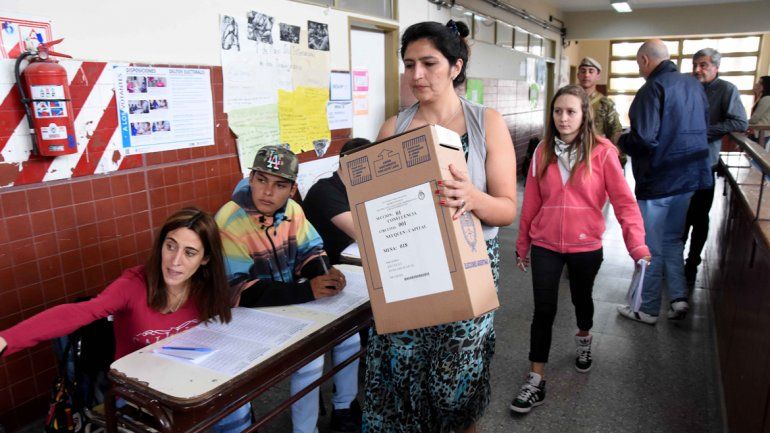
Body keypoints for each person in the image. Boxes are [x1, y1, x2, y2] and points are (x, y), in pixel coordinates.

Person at [362, 20, 517, 433]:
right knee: (403, 371)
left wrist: (473, 197)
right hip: (407, 272)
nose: (417, 75)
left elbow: (507, 209)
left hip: (471, 269)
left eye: (429, 63)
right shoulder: (392, 128)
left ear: (455, 66)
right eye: (409, 64)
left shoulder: (486, 123)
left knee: (455, 387)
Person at [0, 208, 250, 433]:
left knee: (238, 406)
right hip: (138, 392)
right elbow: (79, 313)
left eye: (190, 252)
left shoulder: (207, 287)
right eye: (170, 246)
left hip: (189, 382)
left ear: (205, 258)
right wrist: (6, 339)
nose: (175, 261)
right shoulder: (134, 284)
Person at [512, 85, 650, 413]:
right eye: (558, 111)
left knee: (581, 299)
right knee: (543, 311)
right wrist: (523, 244)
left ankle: (584, 338)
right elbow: (531, 201)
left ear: (584, 114)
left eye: (571, 111)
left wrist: (637, 244)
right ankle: (536, 378)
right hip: (546, 243)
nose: (563, 117)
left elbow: (624, 203)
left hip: (585, 244)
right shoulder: (542, 151)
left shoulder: (603, 153)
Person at [215, 145, 360, 433]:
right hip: (243, 315)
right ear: (251, 177)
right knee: (309, 358)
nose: (267, 192)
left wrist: (324, 273)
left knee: (350, 336)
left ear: (292, 189)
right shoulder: (228, 221)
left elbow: (311, 249)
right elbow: (241, 291)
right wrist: (309, 291)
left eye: (279, 184)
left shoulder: (293, 210)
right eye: (261, 180)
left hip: (288, 301)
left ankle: (345, 407)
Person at [617, 39, 712, 324]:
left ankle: (646, 308)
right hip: (690, 177)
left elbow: (644, 138)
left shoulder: (652, 89)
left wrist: (621, 140)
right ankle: (679, 298)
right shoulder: (695, 85)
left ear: (645, 60)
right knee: (673, 240)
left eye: (638, 64)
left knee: (651, 245)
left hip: (659, 180)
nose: (639, 69)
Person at [683, 48, 748, 285]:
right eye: (695, 65)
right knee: (680, 216)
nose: (698, 69)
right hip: (680, 165)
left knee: (699, 217)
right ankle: (673, 261)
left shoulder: (726, 90)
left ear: (716, 67)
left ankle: (692, 262)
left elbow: (740, 121)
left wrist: (705, 132)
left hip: (704, 164)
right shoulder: (688, 85)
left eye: (703, 65)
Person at [303, 138, 371, 265]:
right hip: (325, 266)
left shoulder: (356, 189)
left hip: (345, 257)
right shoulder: (324, 191)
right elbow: (362, 232)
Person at [576, 57, 626, 166]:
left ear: (598, 76)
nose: (586, 75)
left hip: (597, 157)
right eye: (583, 71)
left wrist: (619, 159)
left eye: (591, 71)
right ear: (578, 75)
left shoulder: (605, 104)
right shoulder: (569, 100)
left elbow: (615, 133)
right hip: (573, 155)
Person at [749, 76, 770, 142]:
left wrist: (743, 123)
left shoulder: (766, 98)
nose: (757, 84)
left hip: (761, 132)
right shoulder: (763, 97)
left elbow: (755, 118)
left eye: (760, 83)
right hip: (760, 132)